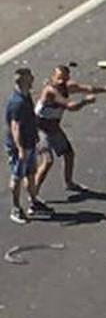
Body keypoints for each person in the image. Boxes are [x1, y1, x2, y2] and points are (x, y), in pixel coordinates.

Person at [32, 65, 106, 196]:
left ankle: (69, 182)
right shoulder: (50, 91)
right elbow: (70, 106)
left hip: (53, 128)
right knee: (47, 161)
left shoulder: (68, 86)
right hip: (39, 129)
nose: (61, 82)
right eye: (58, 78)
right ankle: (33, 195)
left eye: (63, 79)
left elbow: (87, 88)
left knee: (69, 154)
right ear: (53, 77)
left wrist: (105, 89)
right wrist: (85, 102)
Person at [6, 68, 39, 224]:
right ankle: (16, 208)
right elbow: (15, 127)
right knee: (17, 176)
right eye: (30, 77)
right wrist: (20, 149)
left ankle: (34, 201)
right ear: (24, 80)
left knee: (30, 173)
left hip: (30, 142)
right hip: (21, 146)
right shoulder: (17, 102)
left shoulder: (26, 96)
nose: (33, 78)